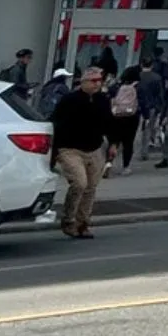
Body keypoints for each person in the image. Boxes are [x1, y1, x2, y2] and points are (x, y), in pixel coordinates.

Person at [49, 67, 111, 239]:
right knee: (79, 183)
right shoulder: (70, 100)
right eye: (93, 81)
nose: (97, 84)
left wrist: (113, 143)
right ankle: (68, 219)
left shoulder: (102, 100)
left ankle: (82, 222)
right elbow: (56, 123)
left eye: (99, 80)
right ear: (83, 82)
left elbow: (108, 122)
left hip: (94, 147)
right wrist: (54, 152)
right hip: (70, 148)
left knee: (91, 187)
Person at [104, 65, 140, 176]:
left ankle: (108, 162)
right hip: (131, 118)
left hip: (116, 117)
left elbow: (108, 98)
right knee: (128, 142)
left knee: (113, 142)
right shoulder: (138, 87)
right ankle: (126, 167)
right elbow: (142, 103)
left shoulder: (116, 86)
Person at [136, 61, 167, 168]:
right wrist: (161, 107)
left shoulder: (137, 76)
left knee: (137, 128)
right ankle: (144, 152)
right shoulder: (157, 77)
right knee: (148, 128)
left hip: (137, 105)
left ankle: (135, 150)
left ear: (141, 65)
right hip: (151, 106)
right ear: (152, 66)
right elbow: (160, 94)